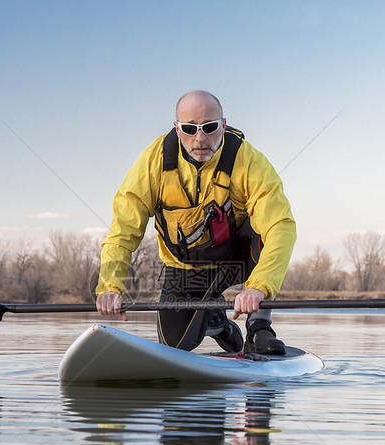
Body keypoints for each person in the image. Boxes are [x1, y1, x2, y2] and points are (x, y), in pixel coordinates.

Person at [95, 90, 296, 355]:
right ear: (177, 129)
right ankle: (216, 322)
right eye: (190, 129)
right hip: (186, 269)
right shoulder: (152, 162)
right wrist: (111, 286)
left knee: (267, 232)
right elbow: (123, 229)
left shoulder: (248, 161)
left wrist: (258, 288)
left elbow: (280, 226)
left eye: (210, 127)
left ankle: (259, 328)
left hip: (237, 258)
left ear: (223, 125)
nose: (200, 138)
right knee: (174, 346)